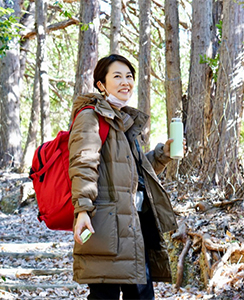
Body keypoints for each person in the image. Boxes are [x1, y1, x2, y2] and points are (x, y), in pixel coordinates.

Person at [68, 54, 180, 299]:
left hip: (132, 225)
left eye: (129, 76)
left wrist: (162, 154)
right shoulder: (91, 117)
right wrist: (83, 211)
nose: (125, 82)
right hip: (105, 226)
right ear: (101, 84)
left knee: (141, 295)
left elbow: (133, 173)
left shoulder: (123, 121)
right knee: (104, 296)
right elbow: (82, 165)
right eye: (116, 76)